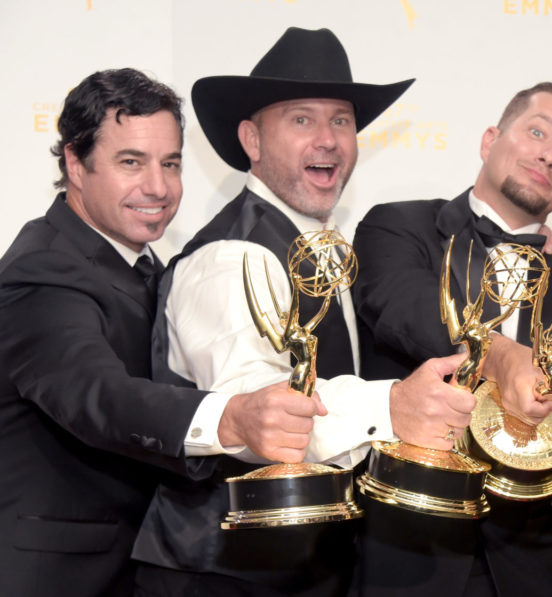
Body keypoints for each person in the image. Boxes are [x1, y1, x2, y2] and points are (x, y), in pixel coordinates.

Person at [131, 28, 476, 596]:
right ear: (252, 139)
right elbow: (261, 411)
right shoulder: (231, 256)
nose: (329, 140)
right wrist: (393, 406)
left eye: (341, 120)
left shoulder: (325, 249)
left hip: (308, 568)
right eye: (301, 119)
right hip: (219, 574)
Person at [0, 68, 318, 597]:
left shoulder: (148, 264)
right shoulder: (44, 269)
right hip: (60, 576)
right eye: (131, 162)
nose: (158, 187)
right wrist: (232, 416)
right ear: (76, 164)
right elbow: (98, 394)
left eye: (170, 163)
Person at [352, 81, 552, 596]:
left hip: (524, 562)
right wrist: (504, 358)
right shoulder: (398, 226)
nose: (549, 156)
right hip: (402, 551)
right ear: (490, 140)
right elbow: (404, 311)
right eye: (537, 131)